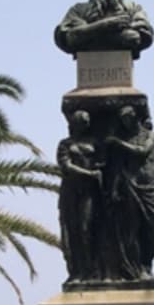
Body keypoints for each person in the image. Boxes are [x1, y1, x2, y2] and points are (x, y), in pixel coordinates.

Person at [105, 107, 154, 280]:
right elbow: (118, 167)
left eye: (128, 118)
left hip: (150, 184)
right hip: (130, 185)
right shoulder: (124, 139)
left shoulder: (150, 136)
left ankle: (147, 262)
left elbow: (143, 151)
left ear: (135, 117)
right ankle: (140, 268)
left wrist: (117, 142)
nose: (126, 122)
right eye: (123, 120)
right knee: (132, 230)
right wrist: (115, 188)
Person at [57, 109, 104, 284]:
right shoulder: (65, 144)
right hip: (71, 191)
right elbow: (66, 166)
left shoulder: (94, 142)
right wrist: (89, 173)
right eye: (83, 122)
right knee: (72, 231)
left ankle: (92, 270)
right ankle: (77, 271)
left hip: (89, 192)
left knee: (86, 228)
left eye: (87, 122)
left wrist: (100, 167)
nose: (86, 125)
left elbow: (103, 161)